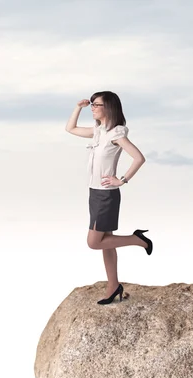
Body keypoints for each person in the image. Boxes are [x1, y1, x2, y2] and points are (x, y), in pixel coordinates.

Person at [65, 91, 153, 305]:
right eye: (92, 103)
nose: (93, 107)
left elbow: (139, 158)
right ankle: (113, 285)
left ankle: (137, 240)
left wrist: (122, 179)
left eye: (97, 104)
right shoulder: (99, 131)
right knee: (106, 243)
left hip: (106, 195)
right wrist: (79, 107)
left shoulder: (116, 133)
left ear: (109, 107)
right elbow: (70, 129)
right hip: (94, 192)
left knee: (94, 243)